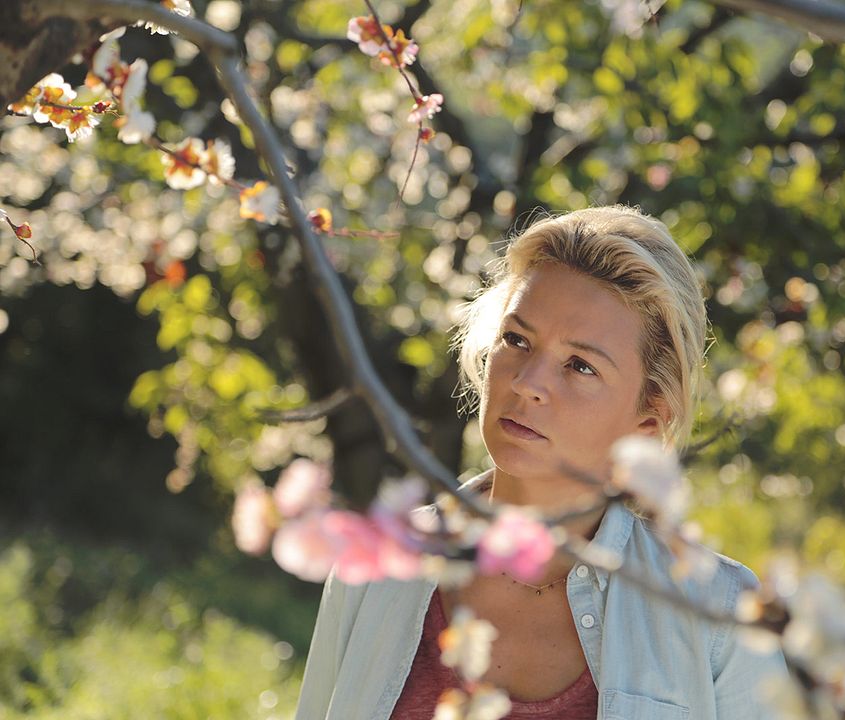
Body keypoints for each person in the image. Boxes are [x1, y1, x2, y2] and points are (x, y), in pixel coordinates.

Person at [294, 206, 787, 719]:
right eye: (517, 340)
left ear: (647, 420)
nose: (527, 382)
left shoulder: (717, 616)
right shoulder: (378, 565)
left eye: (580, 365)